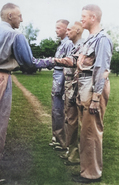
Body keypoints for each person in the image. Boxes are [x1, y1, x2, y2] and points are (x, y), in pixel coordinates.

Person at [0, 3, 50, 185]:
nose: (22, 19)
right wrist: (50, 62)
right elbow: (28, 63)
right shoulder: (15, 35)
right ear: (10, 16)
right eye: (19, 15)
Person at [54, 4, 113, 183]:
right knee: (86, 132)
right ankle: (86, 169)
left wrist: (96, 98)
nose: (82, 19)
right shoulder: (90, 39)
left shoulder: (102, 39)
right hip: (84, 85)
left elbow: (102, 69)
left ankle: (92, 174)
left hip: (93, 88)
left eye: (84, 16)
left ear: (93, 17)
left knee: (91, 132)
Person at [60, 22, 84, 164]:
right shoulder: (73, 46)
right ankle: (70, 150)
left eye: (69, 29)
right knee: (69, 119)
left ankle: (75, 155)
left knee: (73, 119)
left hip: (75, 86)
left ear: (78, 30)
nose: (66, 32)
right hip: (68, 85)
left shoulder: (81, 46)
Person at [49, 20, 74, 149]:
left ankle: (63, 142)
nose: (56, 30)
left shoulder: (69, 44)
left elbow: (68, 65)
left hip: (62, 81)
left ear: (66, 29)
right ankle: (57, 138)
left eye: (59, 28)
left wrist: (64, 84)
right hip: (57, 80)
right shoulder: (62, 44)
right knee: (56, 110)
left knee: (60, 110)